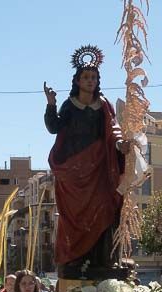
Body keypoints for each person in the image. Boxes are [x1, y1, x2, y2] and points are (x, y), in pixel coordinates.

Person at [43, 57, 128, 276]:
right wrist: (51, 103)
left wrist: (120, 144)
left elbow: (113, 128)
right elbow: (54, 127)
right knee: (74, 216)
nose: (90, 81)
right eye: (86, 77)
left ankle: (102, 261)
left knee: (103, 208)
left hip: (99, 167)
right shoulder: (70, 105)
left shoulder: (104, 105)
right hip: (74, 170)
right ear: (78, 81)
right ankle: (75, 260)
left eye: (94, 77)